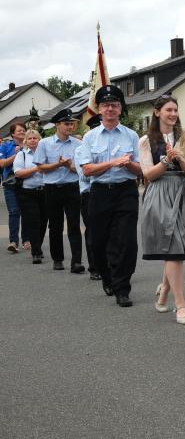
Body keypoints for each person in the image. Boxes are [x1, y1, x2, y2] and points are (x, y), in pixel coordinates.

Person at [76, 85, 141, 307]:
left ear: (120, 108)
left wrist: (129, 164)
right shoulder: (90, 137)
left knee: (127, 241)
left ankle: (122, 287)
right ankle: (107, 277)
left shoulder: (132, 136)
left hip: (126, 191)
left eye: (114, 105)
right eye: (106, 105)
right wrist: (113, 162)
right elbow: (87, 170)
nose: (110, 109)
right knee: (98, 242)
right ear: (99, 109)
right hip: (100, 192)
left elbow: (140, 170)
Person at [139, 95, 185, 325]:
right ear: (157, 112)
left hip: (182, 191)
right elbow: (147, 174)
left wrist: (180, 158)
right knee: (174, 248)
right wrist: (164, 161)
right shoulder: (146, 140)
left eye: (175, 110)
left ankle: (163, 293)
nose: (173, 114)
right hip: (160, 192)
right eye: (168, 110)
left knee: (177, 244)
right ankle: (180, 305)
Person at [33, 108, 85, 273]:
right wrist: (58, 164)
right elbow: (41, 168)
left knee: (74, 225)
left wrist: (69, 166)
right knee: (55, 226)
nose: (70, 127)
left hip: (72, 188)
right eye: (67, 123)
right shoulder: (44, 143)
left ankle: (76, 261)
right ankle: (58, 259)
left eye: (72, 123)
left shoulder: (78, 144)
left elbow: (80, 170)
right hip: (52, 189)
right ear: (57, 125)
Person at [13, 130, 46, 264]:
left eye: (35, 138)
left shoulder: (46, 154)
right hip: (28, 193)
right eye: (30, 138)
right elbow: (18, 173)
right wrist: (36, 169)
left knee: (44, 222)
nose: (33, 140)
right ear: (26, 141)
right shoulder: (22, 155)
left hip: (45, 191)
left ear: (40, 140)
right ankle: (36, 252)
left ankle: (38, 245)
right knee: (33, 222)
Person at [76, 117, 100, 280]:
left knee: (112, 232)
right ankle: (95, 267)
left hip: (108, 192)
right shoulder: (80, 150)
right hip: (89, 193)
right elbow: (84, 176)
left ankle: (112, 265)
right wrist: (107, 167)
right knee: (93, 232)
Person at [0, 123, 29, 253]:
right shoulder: (6, 145)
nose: (22, 132)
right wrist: (15, 155)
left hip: (27, 182)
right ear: (12, 134)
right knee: (14, 212)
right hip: (10, 184)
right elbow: (2, 163)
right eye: (19, 130)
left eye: (24, 130)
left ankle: (26, 240)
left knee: (26, 212)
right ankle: (13, 241)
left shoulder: (31, 143)